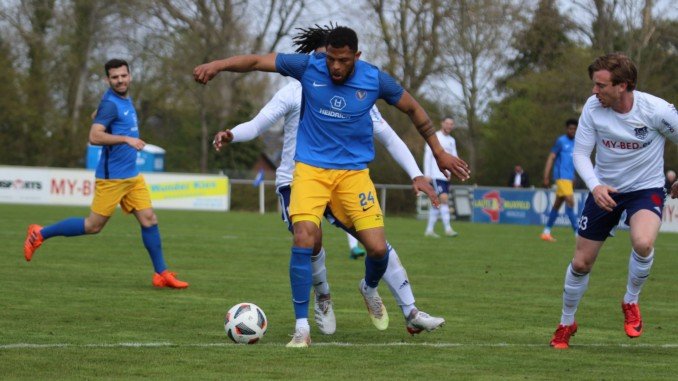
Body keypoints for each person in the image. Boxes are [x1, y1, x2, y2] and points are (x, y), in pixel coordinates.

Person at [194, 25, 470, 348]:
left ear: (357, 56)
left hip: (352, 176)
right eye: (330, 60)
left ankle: (370, 288)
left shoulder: (373, 81)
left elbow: (412, 110)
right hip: (309, 171)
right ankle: (302, 327)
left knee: (378, 248)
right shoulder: (306, 70)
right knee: (305, 237)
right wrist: (217, 66)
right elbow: (256, 62)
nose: (335, 67)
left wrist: (436, 153)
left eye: (342, 60)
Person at [22, 59, 188, 289]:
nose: (120, 80)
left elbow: (102, 117)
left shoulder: (123, 100)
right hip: (112, 178)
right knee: (93, 226)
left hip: (133, 177)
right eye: (114, 77)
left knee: (149, 219)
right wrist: (125, 138)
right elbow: (94, 136)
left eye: (123, 75)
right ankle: (40, 233)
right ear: (107, 80)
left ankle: (161, 273)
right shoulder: (111, 103)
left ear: (130, 75)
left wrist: (100, 115)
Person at [549, 52, 678, 349]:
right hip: (604, 189)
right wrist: (595, 187)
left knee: (643, 243)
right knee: (581, 263)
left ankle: (630, 301)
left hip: (645, 189)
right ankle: (566, 322)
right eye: (594, 85)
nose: (595, 91)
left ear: (624, 85)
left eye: (601, 85)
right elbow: (580, 154)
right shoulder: (593, 108)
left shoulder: (657, 110)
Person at [540, 119, 579, 242]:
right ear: (566, 129)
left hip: (568, 178)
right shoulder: (561, 141)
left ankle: (546, 232)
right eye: (570, 128)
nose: (572, 131)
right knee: (570, 202)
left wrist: (573, 176)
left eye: (574, 129)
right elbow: (551, 157)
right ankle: (578, 234)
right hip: (561, 177)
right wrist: (546, 176)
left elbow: (573, 162)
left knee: (557, 204)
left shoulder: (576, 143)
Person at [423, 116, 459, 238]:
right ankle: (448, 229)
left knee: (437, 202)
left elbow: (454, 157)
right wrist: (427, 173)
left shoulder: (452, 140)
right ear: (442, 123)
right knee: (443, 198)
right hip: (435, 174)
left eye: (451, 124)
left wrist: (455, 171)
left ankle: (429, 230)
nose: (449, 126)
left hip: (445, 176)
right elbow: (428, 155)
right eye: (447, 123)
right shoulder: (435, 137)